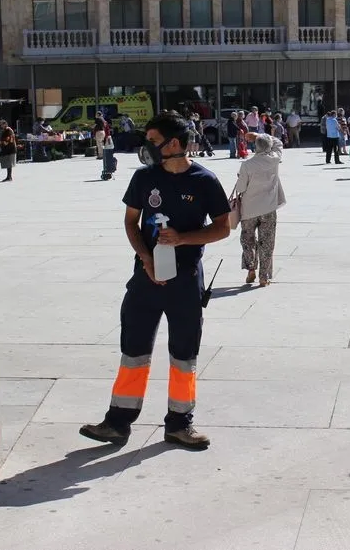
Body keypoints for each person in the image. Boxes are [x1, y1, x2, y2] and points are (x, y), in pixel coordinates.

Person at [80, 112, 231, 449]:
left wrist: (183, 238)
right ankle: (117, 422)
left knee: (183, 354)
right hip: (145, 279)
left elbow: (223, 227)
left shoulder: (204, 180)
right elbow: (131, 223)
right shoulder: (143, 178)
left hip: (185, 280)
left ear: (173, 143)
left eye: (152, 138)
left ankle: (180, 423)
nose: (146, 144)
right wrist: (146, 259)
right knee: (133, 350)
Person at [236, 134, 286, 287]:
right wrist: (259, 135)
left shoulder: (247, 165)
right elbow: (279, 143)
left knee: (248, 240)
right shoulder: (275, 159)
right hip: (268, 208)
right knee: (267, 242)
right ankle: (264, 276)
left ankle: (251, 267)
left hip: (249, 208)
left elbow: (240, 188)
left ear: (255, 147)